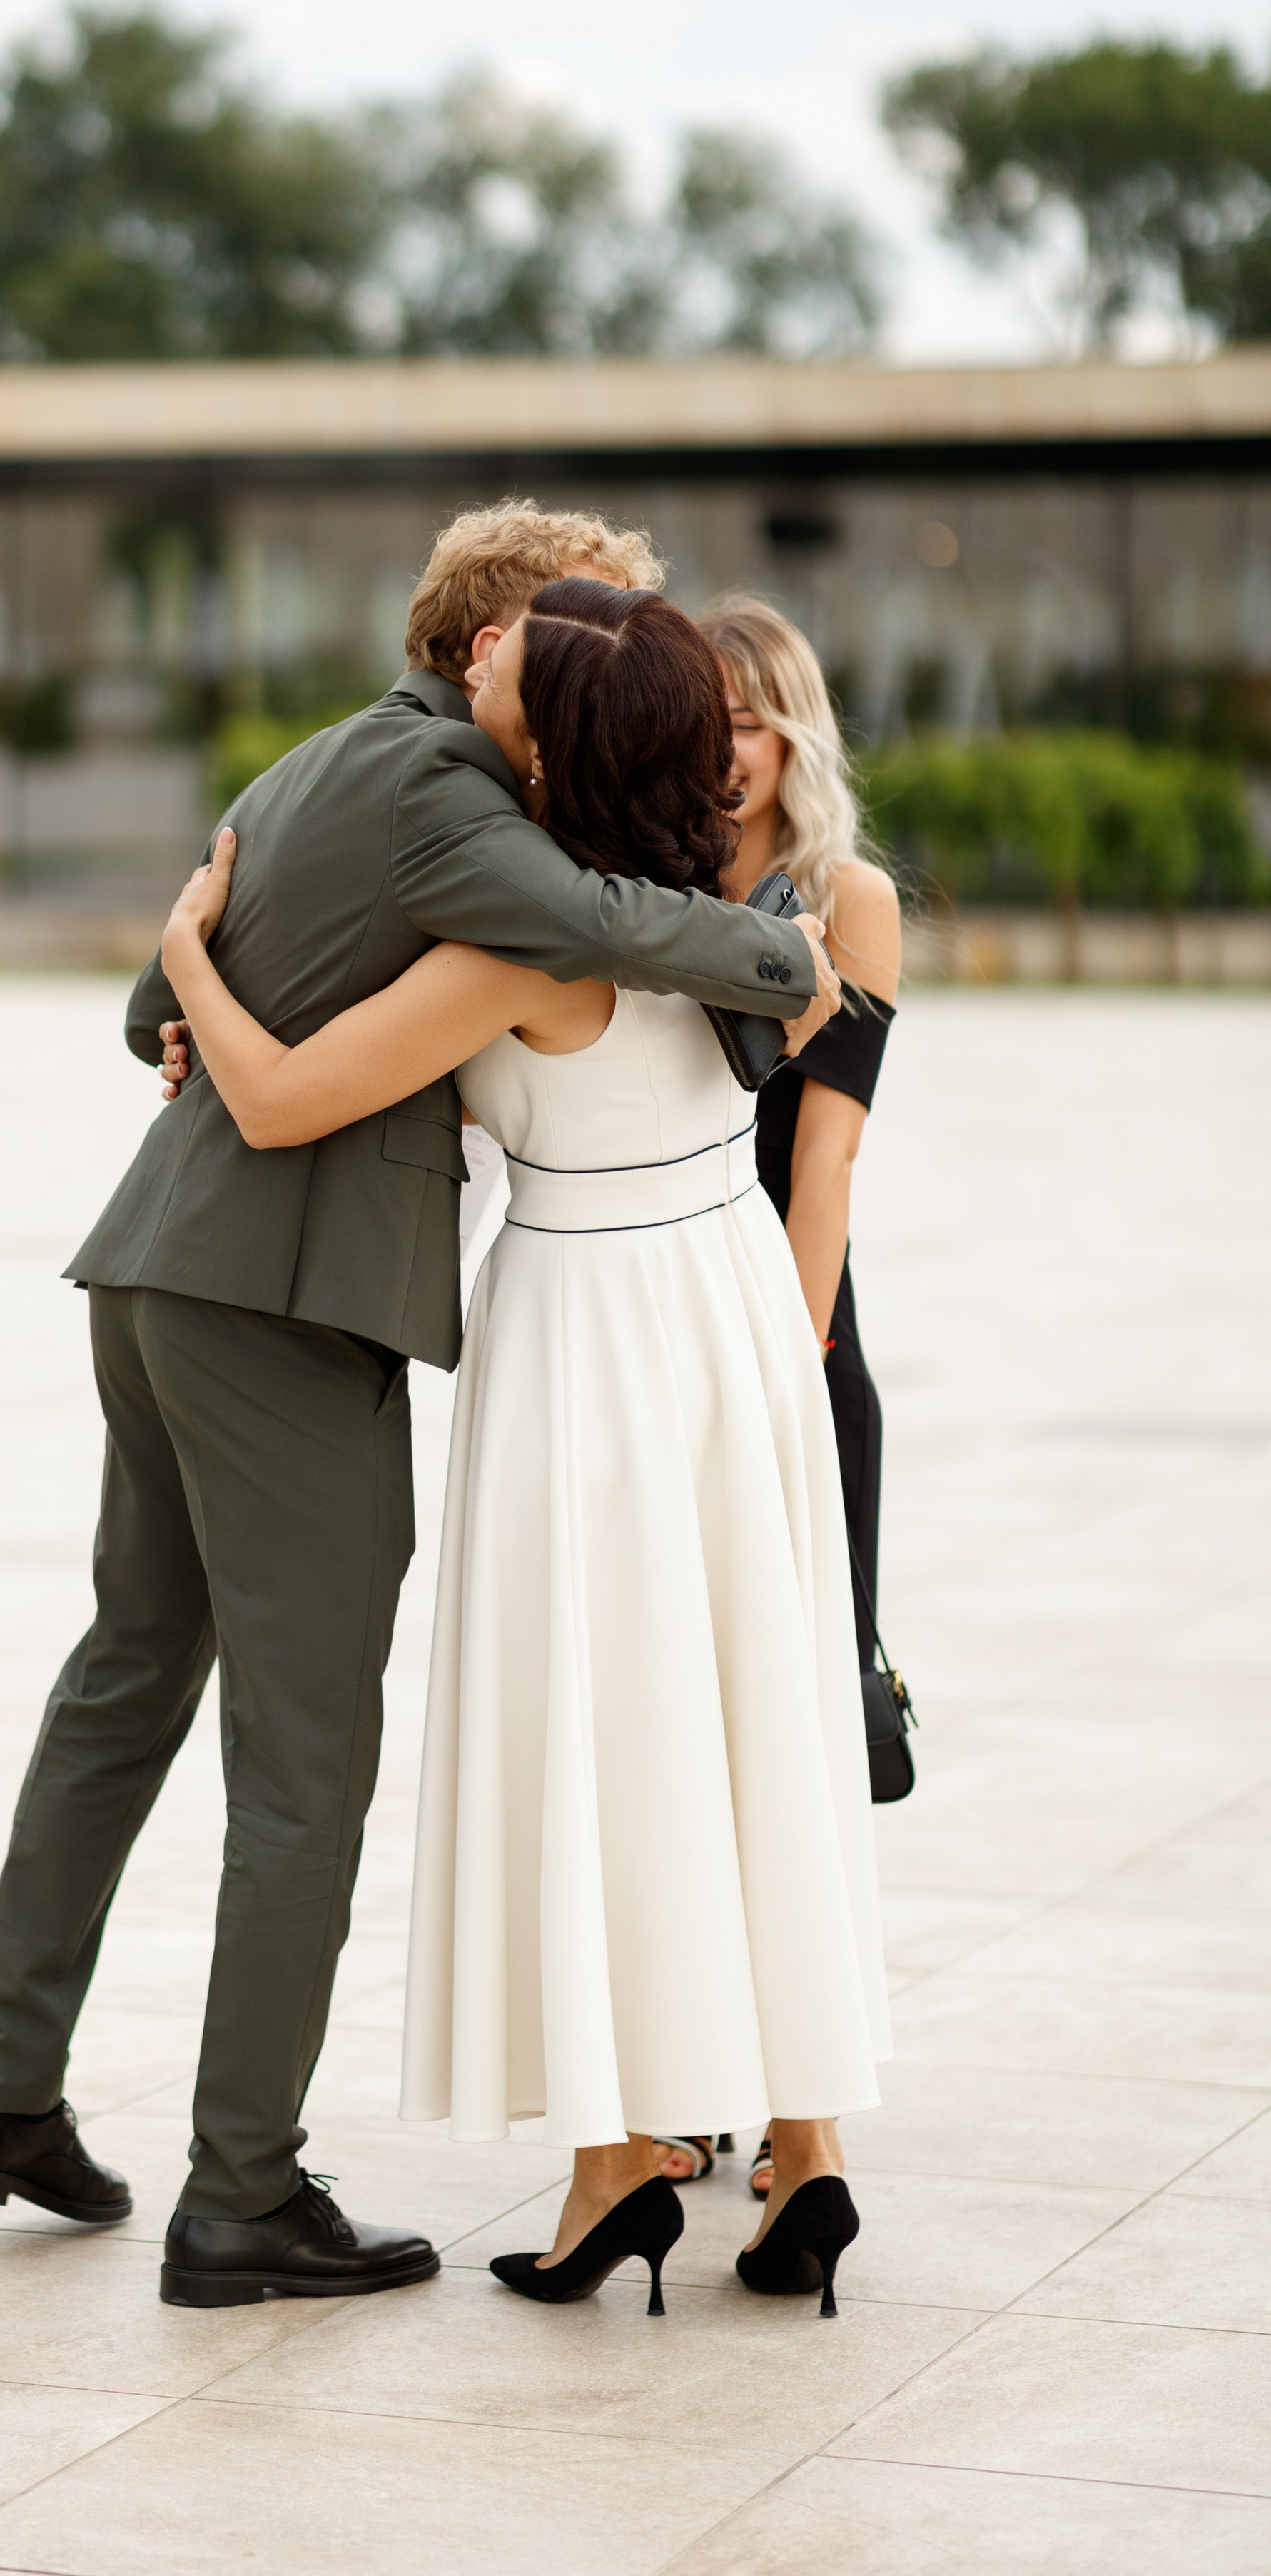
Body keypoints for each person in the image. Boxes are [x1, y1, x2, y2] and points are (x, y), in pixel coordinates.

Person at [0, 503, 839, 2308]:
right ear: (499, 649)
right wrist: (788, 958)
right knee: (306, 1763)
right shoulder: (451, 802)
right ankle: (240, 2194)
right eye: (592, 636)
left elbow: (147, 1008)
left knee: (125, 1678)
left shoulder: (315, 761)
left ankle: (3, 2094)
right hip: (277, 1306)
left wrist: (196, 985)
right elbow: (594, 927)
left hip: (159, 1274)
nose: (623, 667)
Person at [156, 577, 889, 2321]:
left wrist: (188, 955)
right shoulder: (747, 916)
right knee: (752, 1711)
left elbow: (273, 1097)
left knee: (603, 1733)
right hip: (732, 1309)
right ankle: (805, 2148)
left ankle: (610, 2167)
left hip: (587, 1329)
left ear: (559, 749)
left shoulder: (507, 954)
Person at [702, 593, 902, 2204]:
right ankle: (689, 2073)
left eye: (752, 720)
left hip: (792, 1344)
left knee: (799, 1727)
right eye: (702, 719)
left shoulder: (846, 901)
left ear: (794, 734)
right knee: (679, 1727)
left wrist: (780, 1374)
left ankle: (800, 2106)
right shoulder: (629, 879)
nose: (727, 750)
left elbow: (820, 1167)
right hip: (648, 1333)